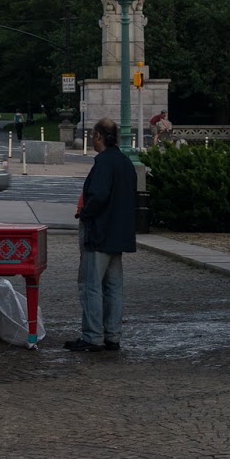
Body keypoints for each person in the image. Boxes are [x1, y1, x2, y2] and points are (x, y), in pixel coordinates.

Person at [67, 117, 137, 353]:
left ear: (98, 136)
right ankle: (112, 335)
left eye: (93, 136)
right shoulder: (125, 162)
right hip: (118, 233)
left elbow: (97, 196)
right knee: (114, 286)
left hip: (99, 231)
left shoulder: (103, 164)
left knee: (90, 285)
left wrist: (85, 214)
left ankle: (93, 336)